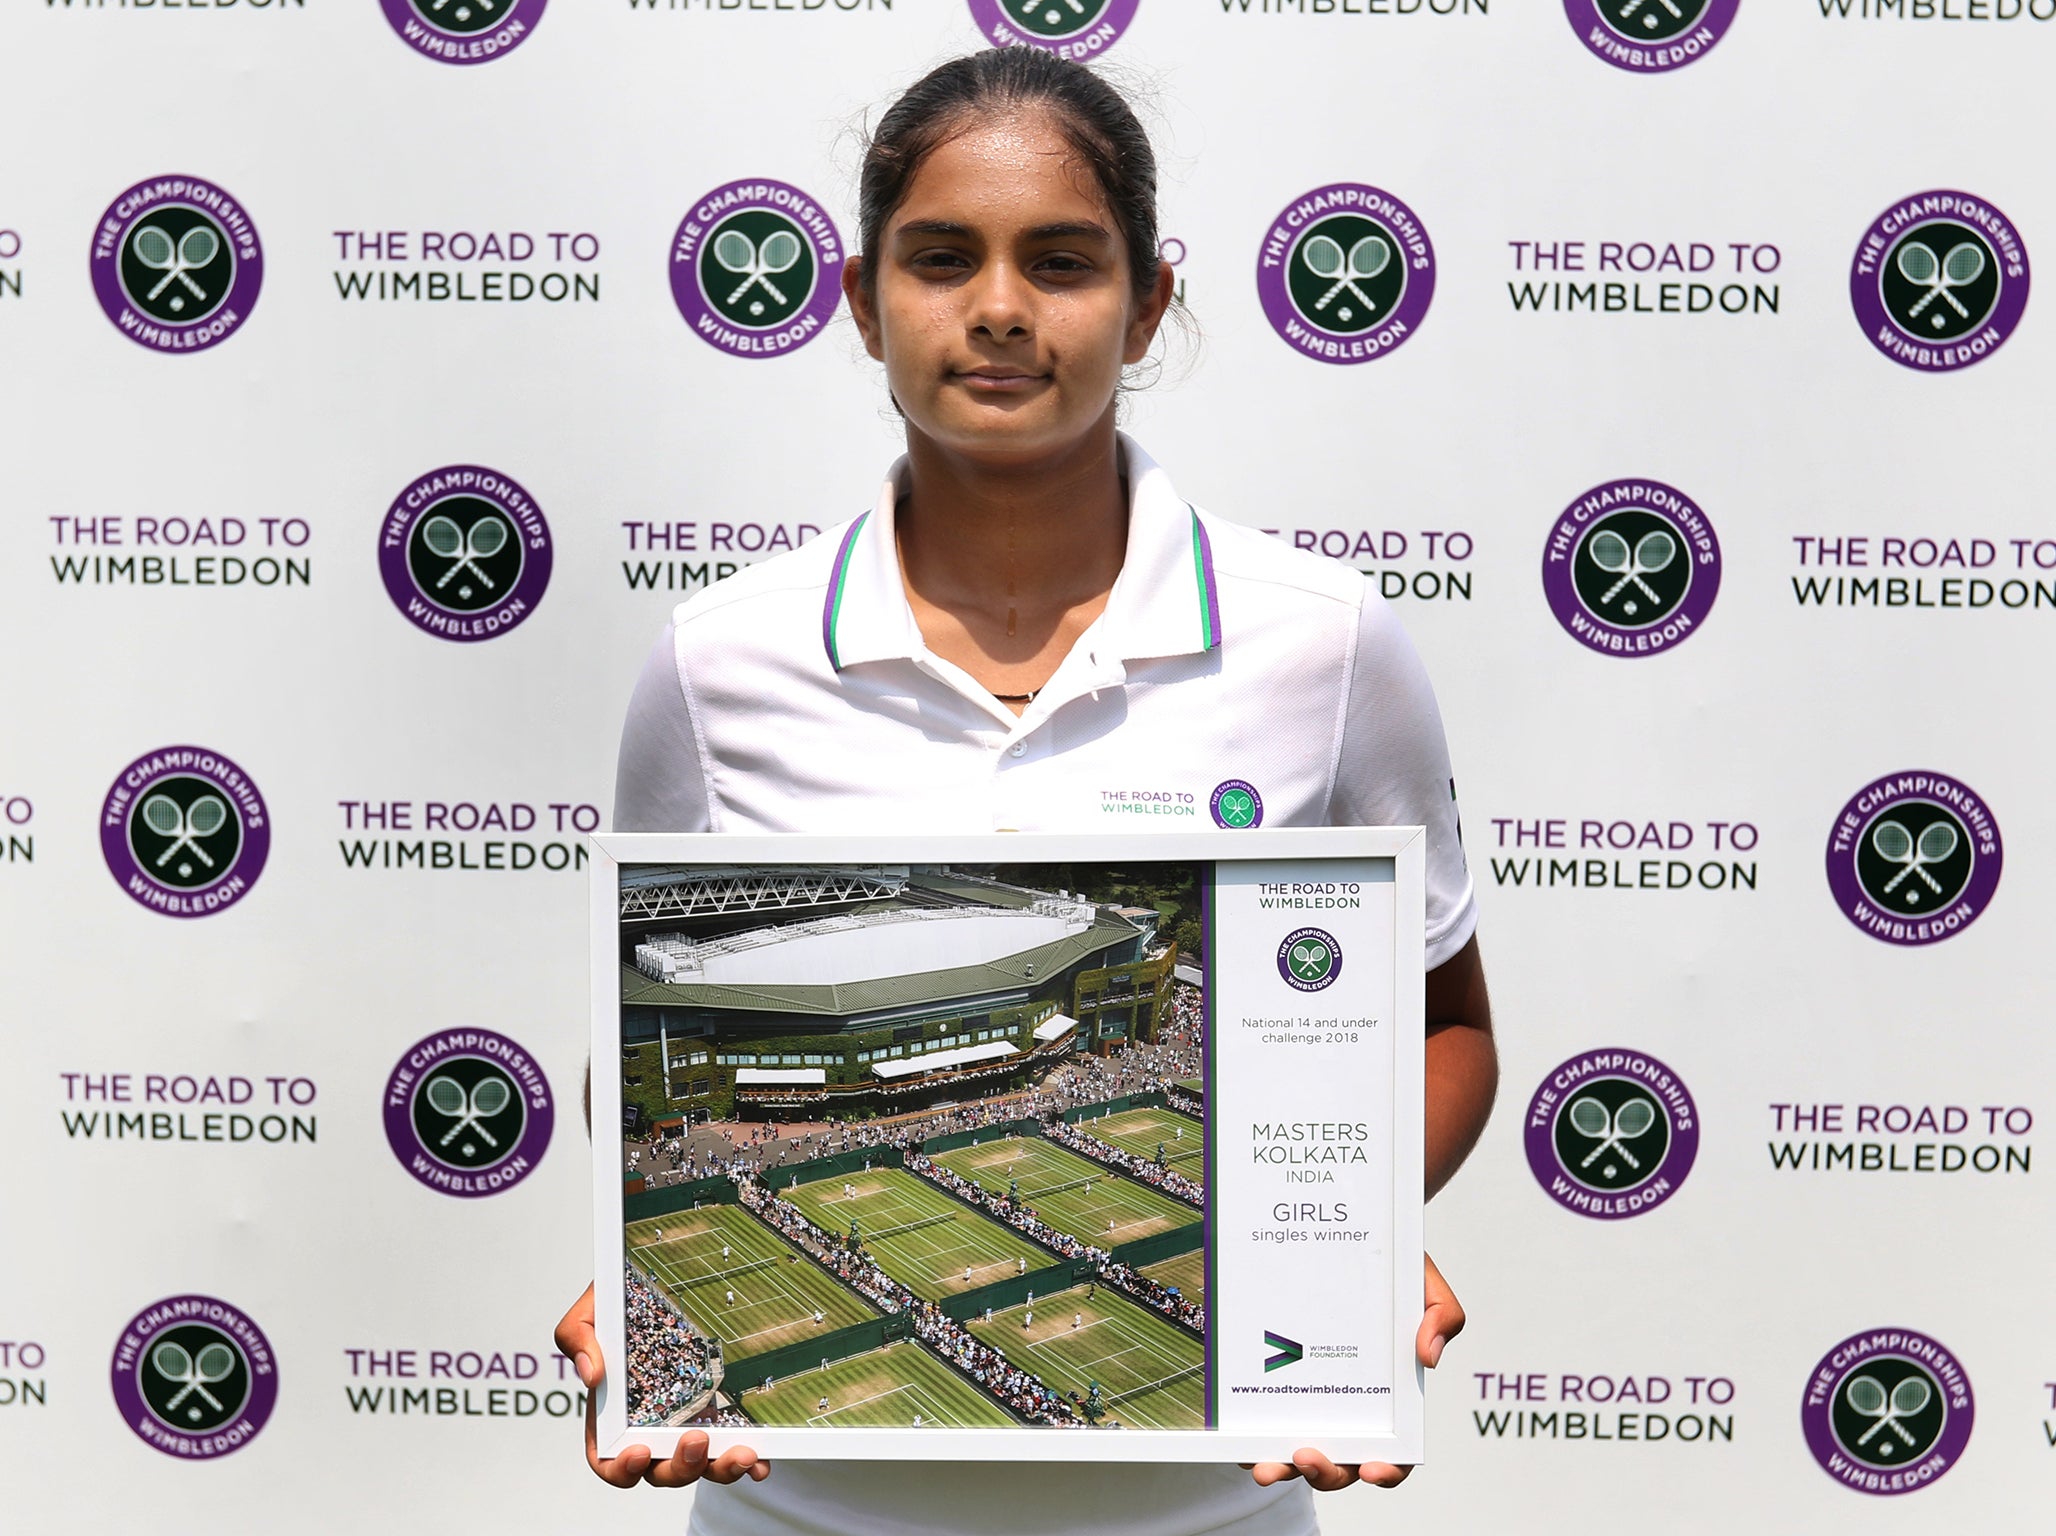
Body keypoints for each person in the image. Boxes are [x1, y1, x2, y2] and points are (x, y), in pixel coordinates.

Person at [556, 44, 1491, 1536]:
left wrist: (1345, 1236)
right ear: (863, 303)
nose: (998, 308)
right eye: (941, 260)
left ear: (1150, 303)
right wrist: (647, 1252)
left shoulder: (1326, 644)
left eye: (1060, 261)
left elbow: (1448, 1030)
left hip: (1212, 1517)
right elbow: (640, 1032)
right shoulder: (714, 662)